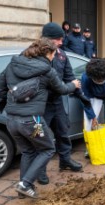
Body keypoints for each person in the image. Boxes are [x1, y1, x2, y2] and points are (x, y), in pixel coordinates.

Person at [0, 38, 80, 198]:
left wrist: (15, 99)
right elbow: (62, 89)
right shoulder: (47, 71)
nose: (54, 58)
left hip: (11, 120)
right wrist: (74, 85)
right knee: (47, 148)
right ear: (47, 53)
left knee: (28, 151)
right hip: (32, 121)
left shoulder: (13, 64)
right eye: (53, 54)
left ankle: (23, 191)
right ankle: (25, 184)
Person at [39, 22, 88, 184]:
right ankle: (40, 170)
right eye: (58, 39)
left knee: (63, 131)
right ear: (48, 39)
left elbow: (69, 77)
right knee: (40, 138)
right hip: (41, 104)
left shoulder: (61, 55)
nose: (61, 42)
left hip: (57, 102)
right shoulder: (34, 54)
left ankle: (65, 160)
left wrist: (81, 95)